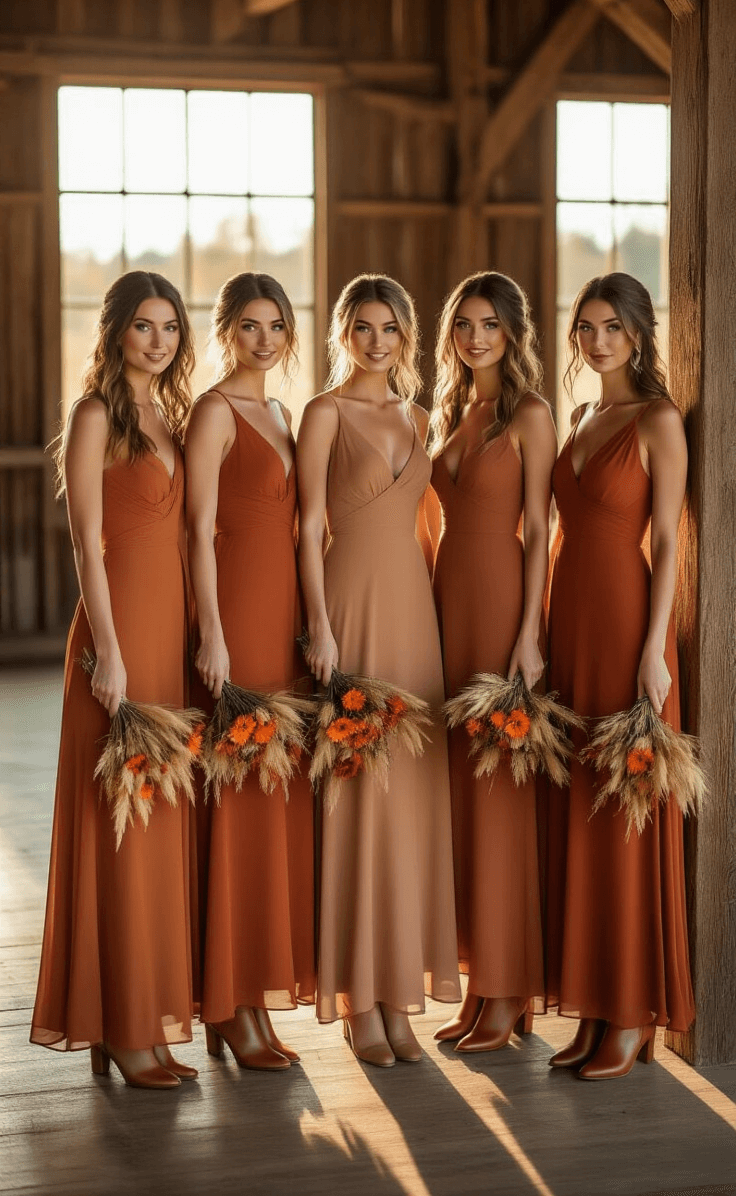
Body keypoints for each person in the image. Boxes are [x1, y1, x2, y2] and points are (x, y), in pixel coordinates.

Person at [31, 271, 197, 1089]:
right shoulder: (94, 414)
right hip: (118, 643)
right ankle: (123, 1029)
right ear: (116, 332)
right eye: (144, 326)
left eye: (170, 326)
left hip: (168, 639)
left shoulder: (173, 415)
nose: (158, 341)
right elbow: (85, 545)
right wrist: (111, 651)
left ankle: (144, 1021)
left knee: (157, 829)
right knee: (118, 832)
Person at [297, 274, 459, 1067]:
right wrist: (319, 626)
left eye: (389, 328)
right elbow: (305, 530)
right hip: (352, 610)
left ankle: (400, 998)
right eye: (361, 327)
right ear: (341, 333)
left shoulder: (420, 416)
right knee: (359, 794)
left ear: (406, 337)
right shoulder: (323, 413)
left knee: (411, 802)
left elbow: (426, 526)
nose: (374, 340)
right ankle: (361, 1001)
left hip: (413, 616)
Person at [546, 272, 694, 1080]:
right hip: (570, 623)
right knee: (584, 816)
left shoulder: (658, 419)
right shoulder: (581, 417)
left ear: (638, 335)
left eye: (612, 327)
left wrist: (653, 649)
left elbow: (667, 542)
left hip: (626, 625)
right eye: (586, 327)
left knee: (627, 815)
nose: (597, 340)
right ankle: (596, 1006)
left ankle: (634, 1016)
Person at [186, 273, 315, 1071]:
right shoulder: (214, 412)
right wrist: (212, 635)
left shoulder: (282, 413)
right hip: (236, 620)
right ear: (226, 331)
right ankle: (229, 1006)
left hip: (283, 624)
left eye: (275, 326)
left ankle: (255, 1000)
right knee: (235, 803)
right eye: (248, 326)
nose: (262, 339)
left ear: (289, 334)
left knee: (272, 804)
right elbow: (198, 529)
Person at [430, 272, 557, 1051]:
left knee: (501, 792)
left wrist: (531, 633)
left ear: (514, 333)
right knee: (464, 799)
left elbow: (541, 529)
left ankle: (511, 993)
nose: (477, 337)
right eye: (465, 324)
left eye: (492, 325)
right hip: (449, 604)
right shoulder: (454, 409)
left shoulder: (530, 413)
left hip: (502, 602)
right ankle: (482, 987)